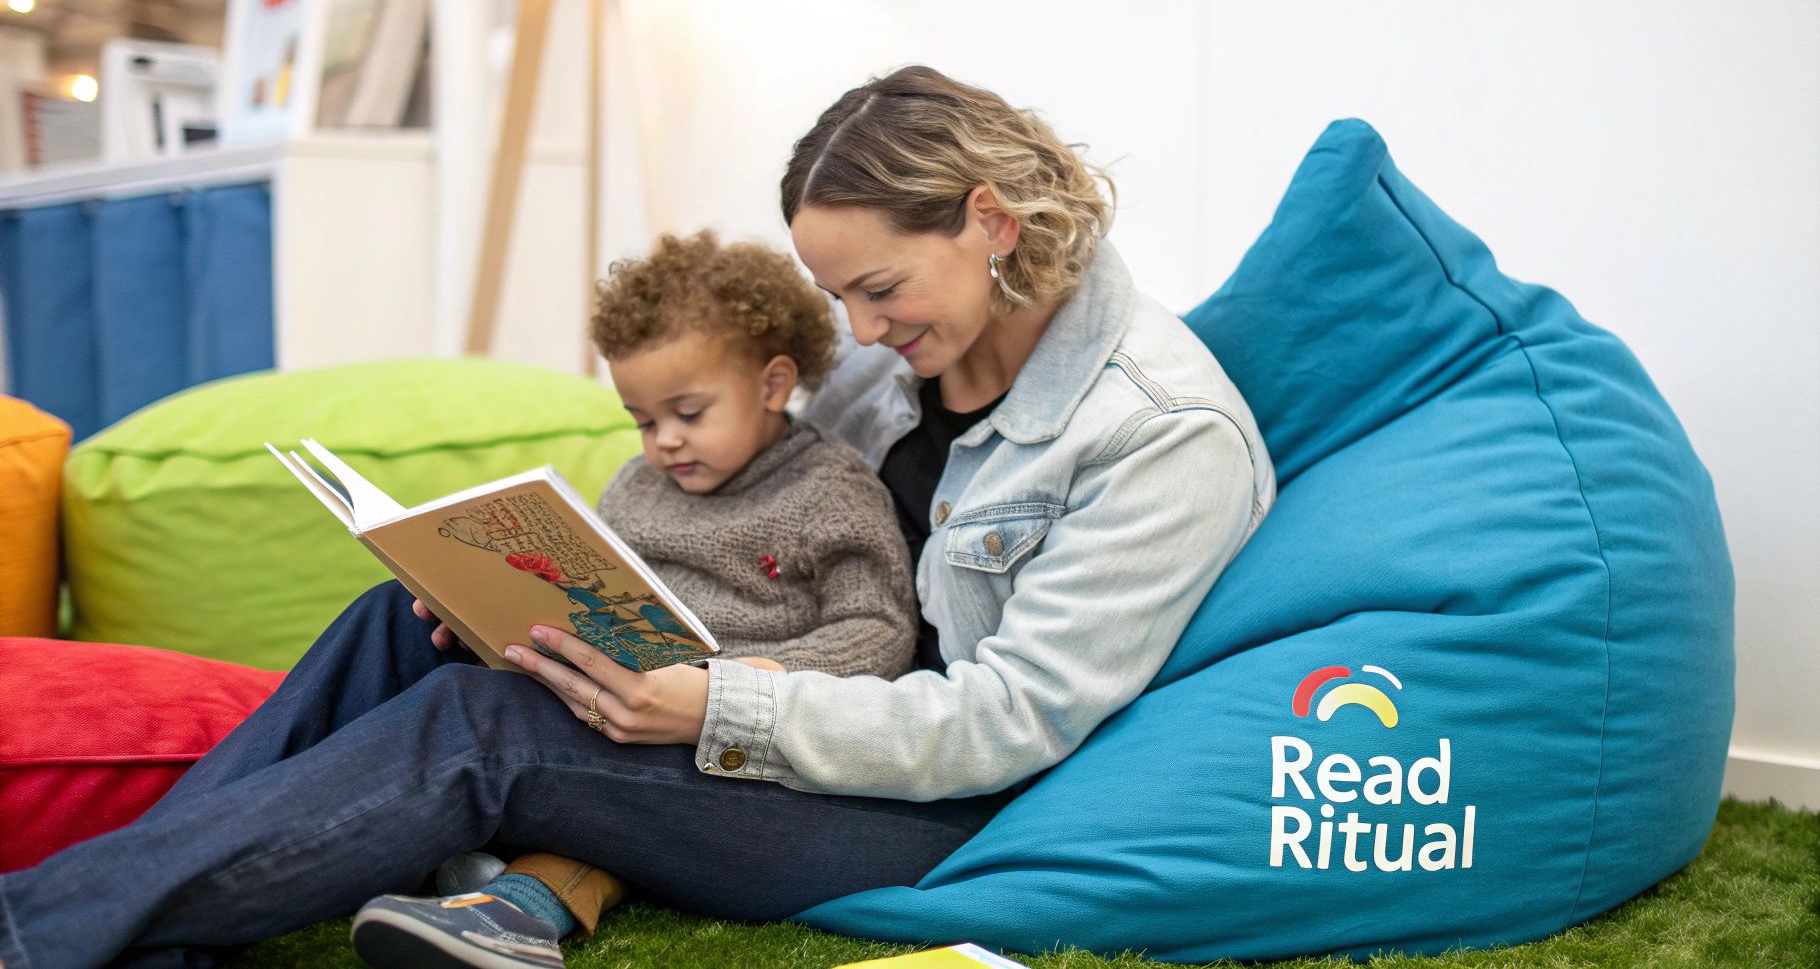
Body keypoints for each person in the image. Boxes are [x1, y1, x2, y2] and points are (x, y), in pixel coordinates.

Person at [0, 65, 1274, 969]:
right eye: (840, 300)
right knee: (401, 627)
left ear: (989, 220)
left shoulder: (1156, 433)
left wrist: (713, 701)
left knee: (482, 725)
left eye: (879, 289)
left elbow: (1006, 721)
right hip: (778, 704)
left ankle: (40, 929)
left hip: (915, 800)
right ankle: (127, 913)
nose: (860, 336)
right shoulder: (912, 365)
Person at [348, 229, 921, 967]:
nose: (666, 443)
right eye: (645, 421)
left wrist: (725, 686)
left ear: (774, 384)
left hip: (722, 740)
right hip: (605, 697)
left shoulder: (830, 492)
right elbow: (588, 585)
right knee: (402, 624)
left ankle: (512, 910)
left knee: (586, 789)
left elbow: (877, 633)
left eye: (688, 413)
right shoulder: (635, 485)